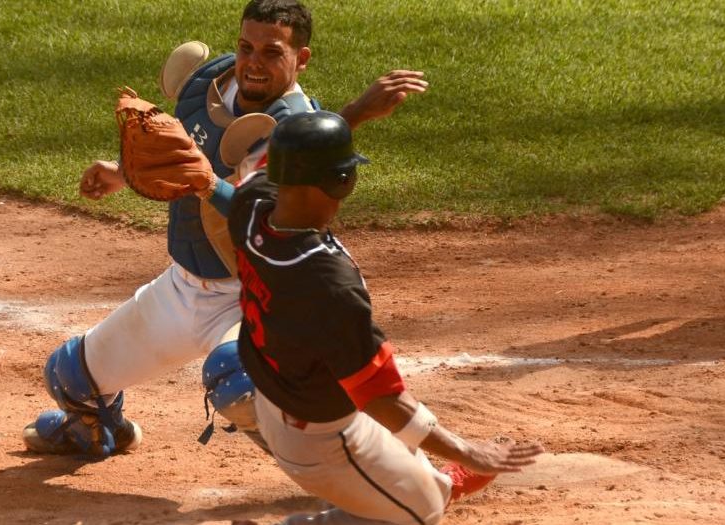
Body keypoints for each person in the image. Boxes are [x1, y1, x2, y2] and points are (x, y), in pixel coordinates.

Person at [22, 0, 429, 457]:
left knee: (234, 380)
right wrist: (123, 171)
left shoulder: (294, 127)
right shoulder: (209, 82)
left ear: (302, 58)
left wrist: (206, 184)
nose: (254, 63)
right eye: (245, 47)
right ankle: (96, 429)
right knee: (68, 377)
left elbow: (261, 215)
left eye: (272, 52)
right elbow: (183, 149)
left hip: (256, 294)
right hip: (185, 286)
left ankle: (348, 465)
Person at [223, 111, 544, 524]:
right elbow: (379, 398)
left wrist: (357, 110)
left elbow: (268, 163)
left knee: (413, 477)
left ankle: (434, 481)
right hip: (327, 440)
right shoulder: (329, 286)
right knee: (420, 514)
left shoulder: (250, 207)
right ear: (343, 182)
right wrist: (468, 451)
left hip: (279, 394)